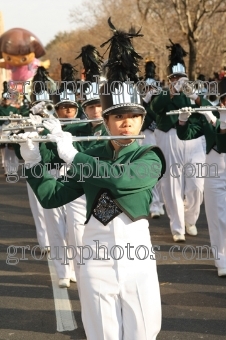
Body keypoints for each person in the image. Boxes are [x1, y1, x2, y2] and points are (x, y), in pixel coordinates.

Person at [18, 19, 166, 340]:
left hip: (137, 260)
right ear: (107, 120)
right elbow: (51, 196)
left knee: (143, 334)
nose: (126, 123)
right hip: (94, 261)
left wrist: (73, 156)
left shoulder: (149, 155)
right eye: (119, 117)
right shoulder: (95, 153)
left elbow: (120, 180)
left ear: (141, 119)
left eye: (133, 117)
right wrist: (31, 159)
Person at [150, 40, 207, 242]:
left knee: (196, 186)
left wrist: (194, 95)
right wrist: (171, 92)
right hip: (169, 136)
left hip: (193, 139)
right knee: (171, 184)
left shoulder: (194, 91)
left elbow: (207, 109)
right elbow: (155, 108)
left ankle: (190, 219)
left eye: (181, 77)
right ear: (168, 79)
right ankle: (177, 227)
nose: (178, 80)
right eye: (174, 77)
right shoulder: (163, 93)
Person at [176, 77, 226, 277]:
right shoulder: (211, 114)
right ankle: (221, 258)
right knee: (217, 217)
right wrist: (182, 119)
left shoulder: (213, 114)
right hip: (215, 172)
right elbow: (186, 134)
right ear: (222, 101)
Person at [140, 59, 164, 218]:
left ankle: (159, 203)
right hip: (144, 134)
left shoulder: (160, 94)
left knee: (159, 170)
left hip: (158, 133)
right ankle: (153, 204)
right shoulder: (140, 95)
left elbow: (160, 114)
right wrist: (144, 102)